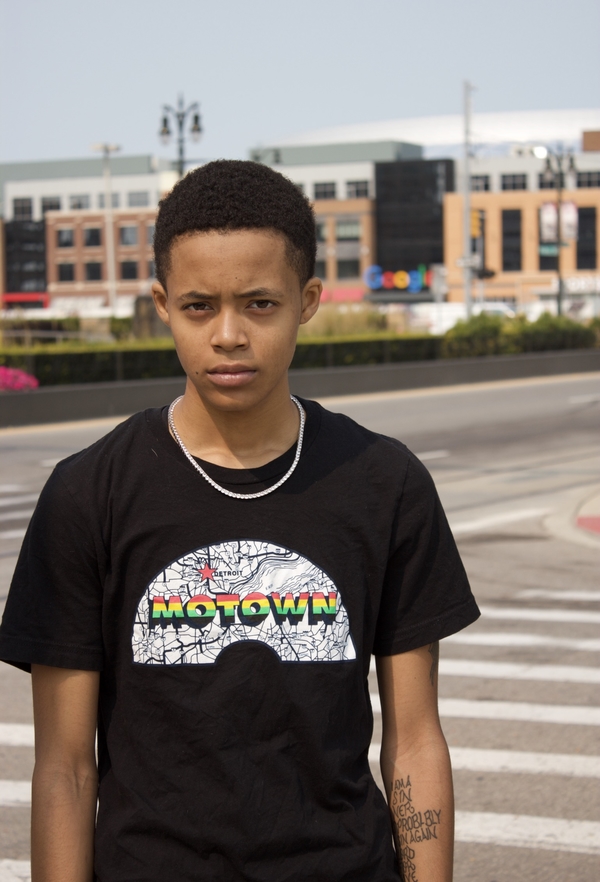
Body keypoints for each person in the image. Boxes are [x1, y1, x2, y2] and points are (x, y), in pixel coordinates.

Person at [0, 160, 479, 882]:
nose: (229, 334)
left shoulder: (385, 483)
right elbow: (64, 769)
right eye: (199, 306)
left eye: (259, 304)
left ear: (306, 301)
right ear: (163, 304)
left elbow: (414, 743)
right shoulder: (87, 493)